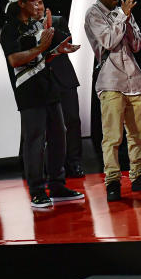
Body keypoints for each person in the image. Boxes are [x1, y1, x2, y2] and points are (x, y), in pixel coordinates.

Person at [0, 0, 84, 209]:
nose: (39, 5)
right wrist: (42, 48)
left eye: (40, 1)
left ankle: (57, 186)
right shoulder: (10, 29)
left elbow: (42, 58)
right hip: (28, 90)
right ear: (21, 4)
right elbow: (14, 60)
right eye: (34, 1)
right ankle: (37, 191)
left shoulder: (40, 25)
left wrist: (56, 51)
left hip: (48, 86)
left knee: (59, 134)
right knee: (35, 140)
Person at [83, 0, 141, 201]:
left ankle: (139, 175)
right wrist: (122, 16)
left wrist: (127, 18)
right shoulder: (93, 14)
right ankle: (113, 180)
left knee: (138, 134)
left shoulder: (122, 11)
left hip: (134, 80)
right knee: (112, 137)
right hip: (110, 81)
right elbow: (108, 41)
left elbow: (136, 45)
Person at [48, 15, 86, 178]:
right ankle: (53, 166)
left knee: (72, 121)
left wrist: (49, 28)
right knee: (49, 127)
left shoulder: (57, 21)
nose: (37, 7)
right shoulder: (24, 27)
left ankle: (74, 162)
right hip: (43, 82)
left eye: (40, 3)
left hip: (65, 80)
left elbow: (67, 41)